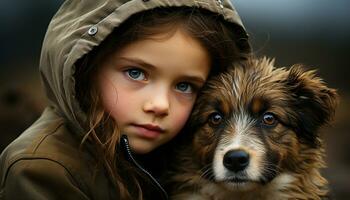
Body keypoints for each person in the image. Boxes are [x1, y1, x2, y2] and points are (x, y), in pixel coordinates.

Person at [0, 0, 251, 199]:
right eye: (136, 73)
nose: (160, 105)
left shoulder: (185, 157)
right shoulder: (41, 168)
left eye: (185, 86)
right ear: (86, 68)